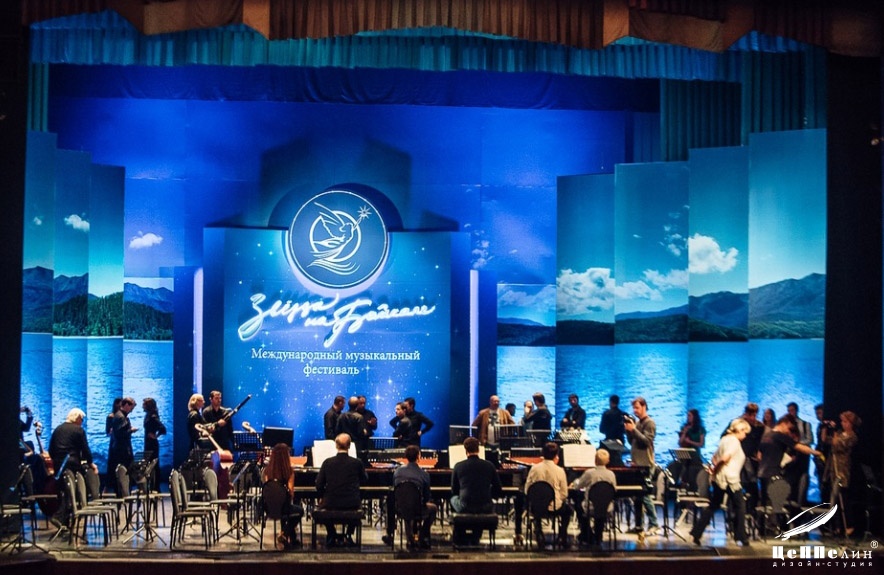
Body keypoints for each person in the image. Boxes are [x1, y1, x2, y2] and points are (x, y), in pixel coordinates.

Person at [690, 418, 752, 547]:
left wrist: (715, 470)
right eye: (744, 432)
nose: (745, 436)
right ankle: (741, 536)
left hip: (720, 478)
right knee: (740, 506)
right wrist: (715, 469)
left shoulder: (724, 439)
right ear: (739, 430)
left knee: (714, 504)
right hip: (730, 479)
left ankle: (696, 532)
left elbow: (714, 457)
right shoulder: (734, 441)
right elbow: (724, 458)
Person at [757, 414, 822, 513]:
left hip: (762, 473)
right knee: (775, 506)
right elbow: (799, 447)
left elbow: (759, 456)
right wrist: (816, 453)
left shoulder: (766, 435)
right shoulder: (780, 436)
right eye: (789, 428)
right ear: (784, 423)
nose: (788, 432)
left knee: (765, 505)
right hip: (773, 474)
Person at [48, 408, 99, 528]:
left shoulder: (58, 429)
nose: (82, 422)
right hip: (71, 464)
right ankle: (60, 517)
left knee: (64, 491)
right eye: (82, 419)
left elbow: (51, 450)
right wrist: (91, 463)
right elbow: (85, 449)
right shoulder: (78, 430)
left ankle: (65, 523)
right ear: (77, 418)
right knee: (72, 492)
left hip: (58, 464)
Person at [315, 434, 367, 547]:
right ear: (349, 446)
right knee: (357, 504)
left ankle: (331, 533)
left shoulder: (327, 462)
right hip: (352, 503)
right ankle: (348, 534)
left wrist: (322, 496)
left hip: (331, 502)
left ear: (336, 445)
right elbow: (364, 480)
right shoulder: (357, 463)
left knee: (322, 508)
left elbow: (319, 484)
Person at [382, 444, 438, 549]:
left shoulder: (397, 472)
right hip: (418, 508)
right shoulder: (424, 474)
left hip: (400, 508)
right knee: (433, 508)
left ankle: (393, 534)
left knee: (393, 503)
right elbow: (426, 497)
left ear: (406, 457)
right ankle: (422, 536)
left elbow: (396, 490)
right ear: (418, 456)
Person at [450, 437, 502, 545]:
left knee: (453, 498)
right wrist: (489, 496)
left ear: (465, 450)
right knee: (481, 501)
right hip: (485, 506)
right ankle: (476, 534)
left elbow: (454, 489)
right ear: (478, 449)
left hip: (465, 506)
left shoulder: (458, 466)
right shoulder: (489, 465)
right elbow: (498, 488)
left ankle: (459, 531)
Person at [525, 442, 572, 549]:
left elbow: (527, 490)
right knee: (568, 511)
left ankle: (538, 531)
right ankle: (562, 535)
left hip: (536, 507)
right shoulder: (560, 470)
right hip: (555, 507)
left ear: (543, 453)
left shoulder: (534, 469)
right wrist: (557, 500)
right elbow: (564, 493)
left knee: (536, 508)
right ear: (556, 455)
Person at [624, 396, 659, 535]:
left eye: (637, 407)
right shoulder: (638, 423)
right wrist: (628, 431)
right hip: (636, 464)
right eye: (634, 408)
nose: (635, 410)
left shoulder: (650, 423)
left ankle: (654, 524)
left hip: (646, 464)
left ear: (644, 407)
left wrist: (634, 429)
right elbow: (632, 442)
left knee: (645, 495)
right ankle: (639, 525)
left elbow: (646, 441)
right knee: (637, 496)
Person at [824, 411, 861, 536]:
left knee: (843, 497)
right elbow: (826, 440)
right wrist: (825, 428)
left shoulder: (852, 437)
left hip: (842, 469)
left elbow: (838, 444)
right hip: (833, 468)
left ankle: (849, 525)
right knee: (834, 499)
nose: (842, 424)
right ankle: (837, 526)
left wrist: (834, 432)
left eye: (845, 421)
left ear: (851, 423)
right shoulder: (840, 434)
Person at [570, 449, 617, 547]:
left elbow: (578, 486)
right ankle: (598, 535)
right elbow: (613, 490)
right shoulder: (611, 474)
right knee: (601, 505)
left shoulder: (590, 473)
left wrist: (574, 482)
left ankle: (586, 533)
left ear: (595, 460)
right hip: (607, 507)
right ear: (608, 461)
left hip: (590, 507)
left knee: (578, 506)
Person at [262, 442, 303, 549]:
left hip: (268, 508)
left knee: (286, 509)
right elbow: (291, 492)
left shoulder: (267, 471)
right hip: (283, 507)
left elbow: (268, 488)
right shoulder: (289, 471)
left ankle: (291, 537)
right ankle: (285, 533)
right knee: (299, 511)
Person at [783, 402, 814, 503]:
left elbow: (810, 439)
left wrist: (797, 443)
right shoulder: (785, 424)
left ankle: (800, 501)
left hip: (802, 455)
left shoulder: (805, 424)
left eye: (792, 410)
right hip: (790, 454)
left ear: (796, 411)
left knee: (801, 479)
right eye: (789, 411)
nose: (790, 412)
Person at [108, 397, 138, 490]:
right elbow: (120, 434)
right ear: (126, 405)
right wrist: (131, 430)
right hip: (121, 451)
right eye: (131, 408)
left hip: (121, 449)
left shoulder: (120, 416)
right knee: (124, 473)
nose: (132, 410)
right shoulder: (120, 417)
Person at [678, 408, 706, 490]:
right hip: (685, 454)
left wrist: (690, 442)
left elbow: (701, 444)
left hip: (695, 455)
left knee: (693, 474)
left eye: (690, 416)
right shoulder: (684, 427)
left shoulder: (700, 429)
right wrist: (684, 432)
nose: (688, 417)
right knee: (684, 473)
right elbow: (680, 442)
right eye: (687, 416)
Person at [142, 397, 166, 490]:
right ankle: (151, 486)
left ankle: (155, 487)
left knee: (154, 465)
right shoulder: (148, 415)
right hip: (148, 443)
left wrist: (156, 435)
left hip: (152, 444)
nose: (142, 406)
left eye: (144, 404)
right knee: (149, 465)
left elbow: (163, 428)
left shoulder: (153, 416)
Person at [814, 403, 833, 502]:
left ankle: (827, 501)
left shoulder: (829, 426)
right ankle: (823, 500)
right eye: (816, 413)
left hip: (827, 456)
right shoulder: (820, 425)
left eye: (820, 413)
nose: (818, 415)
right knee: (820, 479)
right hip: (819, 455)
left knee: (826, 480)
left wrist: (825, 427)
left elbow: (825, 440)